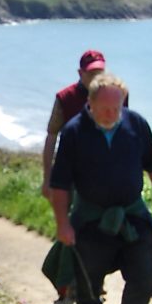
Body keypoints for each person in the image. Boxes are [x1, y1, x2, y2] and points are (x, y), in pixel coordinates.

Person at [48, 71, 152, 304]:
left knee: (145, 276)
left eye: (116, 108)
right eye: (105, 109)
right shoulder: (73, 132)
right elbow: (59, 185)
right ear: (90, 104)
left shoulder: (137, 124)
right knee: (88, 284)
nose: (111, 114)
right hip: (91, 220)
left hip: (133, 216)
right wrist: (63, 223)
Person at [40, 47, 107, 199]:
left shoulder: (117, 95)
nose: (97, 78)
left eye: (100, 73)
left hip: (106, 171)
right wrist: (47, 178)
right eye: (91, 73)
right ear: (80, 73)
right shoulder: (65, 98)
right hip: (71, 173)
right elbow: (51, 136)